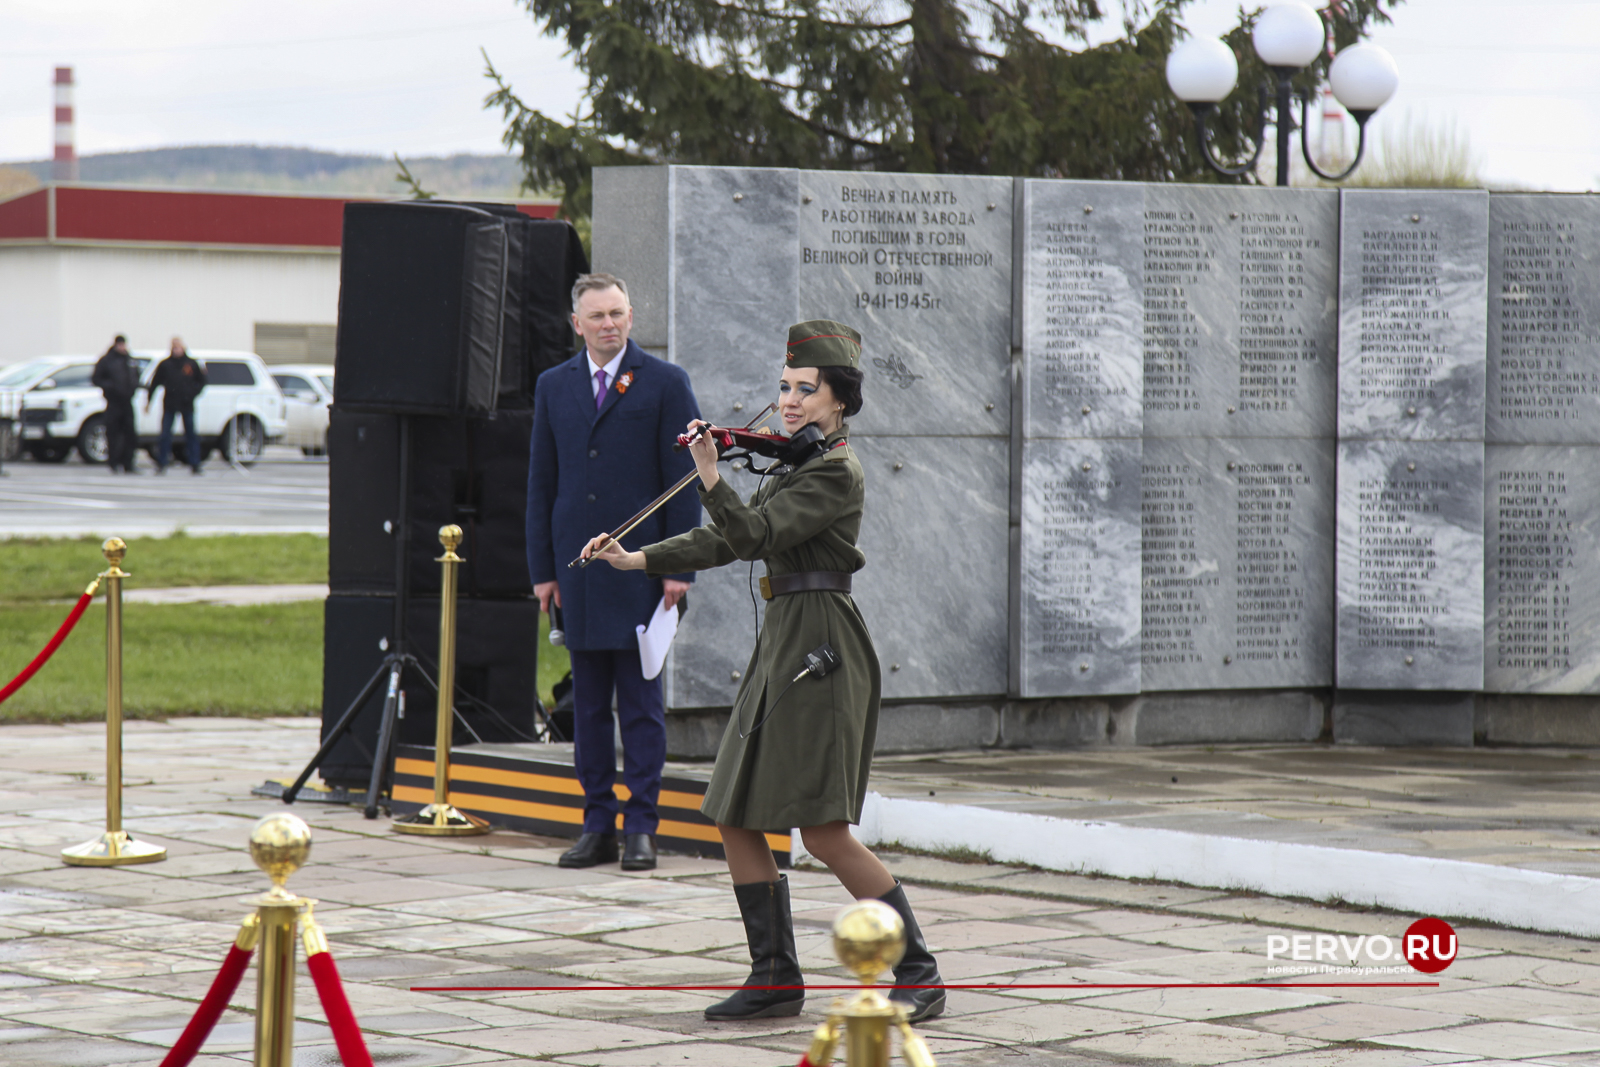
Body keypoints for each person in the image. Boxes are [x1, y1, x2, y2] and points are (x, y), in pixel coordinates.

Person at [583, 320, 946, 1024]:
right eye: (784, 387)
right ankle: (774, 974)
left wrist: (712, 473)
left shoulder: (835, 470)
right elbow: (726, 535)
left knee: (824, 829)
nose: (788, 401)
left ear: (839, 401)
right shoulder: (797, 464)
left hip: (820, 645)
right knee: (735, 814)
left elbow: (751, 535)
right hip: (784, 639)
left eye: (806, 390)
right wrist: (637, 558)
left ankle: (919, 969)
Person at [526, 272, 702, 872]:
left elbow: (685, 483)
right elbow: (541, 484)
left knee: (641, 706)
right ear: (577, 324)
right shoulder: (554, 386)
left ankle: (642, 828)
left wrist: (680, 565)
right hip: (578, 575)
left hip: (643, 572)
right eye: (597, 316)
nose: (608, 324)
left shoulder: (664, 383)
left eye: (618, 313)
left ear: (632, 316)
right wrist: (542, 571)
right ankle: (597, 825)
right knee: (588, 708)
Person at [145, 337, 207, 474]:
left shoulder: (191, 364)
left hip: (187, 403)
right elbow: (154, 384)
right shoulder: (165, 364)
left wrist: (192, 393)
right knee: (165, 435)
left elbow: (202, 381)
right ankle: (162, 463)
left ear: (183, 348)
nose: (176, 349)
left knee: (191, 434)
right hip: (170, 403)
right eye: (174, 347)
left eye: (178, 347)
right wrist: (149, 401)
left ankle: (195, 464)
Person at [92, 335, 142, 473]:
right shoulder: (107, 360)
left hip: (127, 401)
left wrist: (134, 387)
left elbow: (136, 376)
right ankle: (113, 463)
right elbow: (96, 378)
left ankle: (128, 463)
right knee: (113, 433)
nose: (122, 347)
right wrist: (111, 387)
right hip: (113, 402)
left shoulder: (130, 360)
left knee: (130, 434)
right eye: (120, 345)